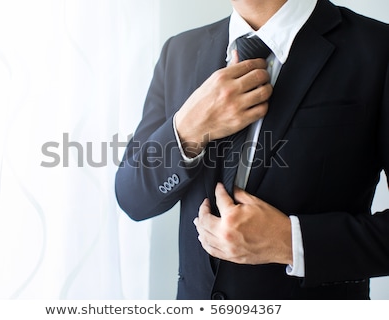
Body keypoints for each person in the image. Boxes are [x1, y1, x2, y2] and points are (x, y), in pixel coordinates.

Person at [115, 0, 389, 299]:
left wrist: (290, 242)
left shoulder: (378, 49)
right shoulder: (179, 52)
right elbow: (133, 198)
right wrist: (189, 127)